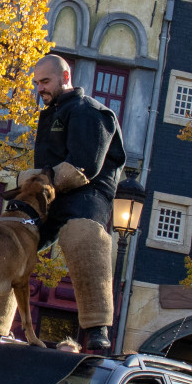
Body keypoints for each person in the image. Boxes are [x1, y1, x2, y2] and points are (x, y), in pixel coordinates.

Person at [29, 54, 125, 352]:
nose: (39, 89)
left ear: (65, 77)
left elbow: (83, 167)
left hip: (89, 192)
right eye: (36, 83)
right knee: (13, 238)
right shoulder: (52, 113)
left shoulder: (89, 111)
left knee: (82, 233)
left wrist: (30, 181)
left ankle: (97, 326)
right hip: (53, 192)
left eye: (45, 81)